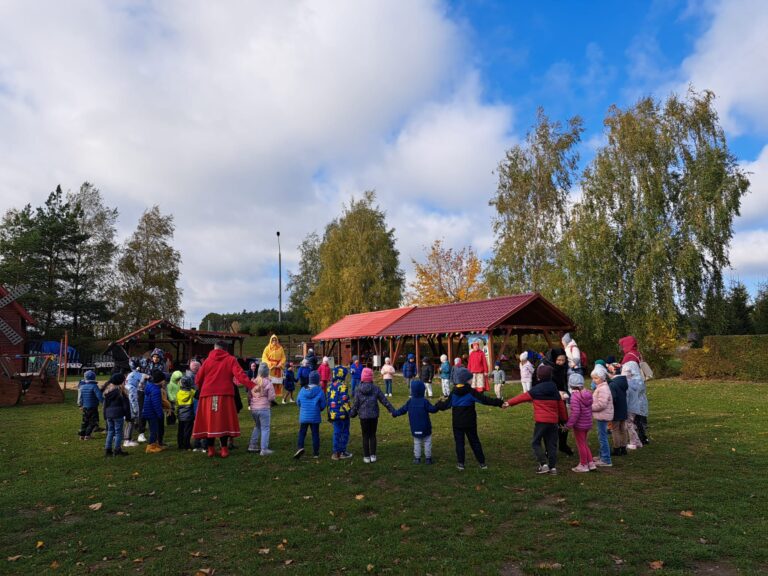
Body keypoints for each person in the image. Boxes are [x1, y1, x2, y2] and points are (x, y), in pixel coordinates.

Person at [192, 341, 256, 458]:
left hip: (207, 395)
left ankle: (211, 449)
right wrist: (252, 385)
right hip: (225, 395)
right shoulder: (231, 359)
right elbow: (240, 375)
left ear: (214, 348)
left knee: (209, 422)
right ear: (226, 349)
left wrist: (202, 388)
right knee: (224, 422)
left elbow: (198, 378)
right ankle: (224, 449)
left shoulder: (207, 361)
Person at [435, 366, 504, 471]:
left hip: (457, 423)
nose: (472, 380)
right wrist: (499, 402)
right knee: (475, 442)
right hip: (470, 423)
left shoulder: (454, 393)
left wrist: (438, 404)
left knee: (459, 443)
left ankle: (461, 464)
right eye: (470, 379)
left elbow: (445, 406)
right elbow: (485, 400)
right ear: (465, 380)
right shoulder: (471, 392)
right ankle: (482, 463)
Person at [504, 364, 568, 475]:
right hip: (553, 422)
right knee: (552, 444)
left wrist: (508, 403)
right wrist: (563, 420)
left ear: (538, 377)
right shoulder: (555, 389)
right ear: (550, 376)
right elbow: (561, 406)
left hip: (541, 422)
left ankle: (543, 464)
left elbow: (522, 397)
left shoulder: (536, 390)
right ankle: (553, 468)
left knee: (535, 442)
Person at [349, 367, 394, 463]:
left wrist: (352, 413)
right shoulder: (375, 389)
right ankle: (373, 455)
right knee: (372, 435)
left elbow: (356, 404)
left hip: (363, 416)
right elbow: (384, 400)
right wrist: (392, 410)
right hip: (373, 416)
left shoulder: (358, 389)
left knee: (365, 436)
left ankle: (366, 456)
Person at [392, 380, 439, 464]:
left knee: (417, 442)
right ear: (423, 390)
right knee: (427, 442)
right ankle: (428, 458)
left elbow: (402, 410)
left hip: (415, 427)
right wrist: (438, 405)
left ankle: (417, 458)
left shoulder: (410, 402)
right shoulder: (424, 401)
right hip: (425, 426)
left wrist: (395, 413)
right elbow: (433, 410)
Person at [619, 336, 649, 447]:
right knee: (639, 415)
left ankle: (636, 440)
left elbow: (627, 375)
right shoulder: (637, 354)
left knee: (631, 416)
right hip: (640, 386)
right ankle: (643, 437)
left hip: (632, 388)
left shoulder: (628, 358)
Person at [565, 374, 594, 473]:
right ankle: (591, 462)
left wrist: (569, 425)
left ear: (571, 385)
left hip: (579, 425)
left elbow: (575, 413)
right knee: (584, 443)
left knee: (581, 444)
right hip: (588, 423)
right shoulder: (588, 394)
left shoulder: (574, 397)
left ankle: (583, 464)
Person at [294, 370, 326, 459]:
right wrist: (319, 409)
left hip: (304, 416)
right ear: (317, 380)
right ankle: (316, 453)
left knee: (302, 433)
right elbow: (323, 404)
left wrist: (303, 408)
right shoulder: (320, 390)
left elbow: (298, 401)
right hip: (315, 416)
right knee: (315, 434)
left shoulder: (303, 389)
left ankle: (300, 447)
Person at [246, 362, 276, 455]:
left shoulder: (253, 381)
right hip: (264, 408)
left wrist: (251, 404)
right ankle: (264, 449)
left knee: (257, 426)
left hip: (254, 408)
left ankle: (252, 445)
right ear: (267, 372)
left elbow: (249, 395)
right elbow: (271, 397)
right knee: (265, 428)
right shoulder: (268, 383)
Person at [327, 365, 353, 460]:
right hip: (343, 414)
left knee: (336, 432)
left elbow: (329, 401)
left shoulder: (330, 387)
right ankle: (342, 451)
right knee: (344, 432)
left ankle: (335, 452)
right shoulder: (343, 386)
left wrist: (329, 414)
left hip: (333, 413)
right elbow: (344, 400)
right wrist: (350, 411)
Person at [590, 364, 614, 467]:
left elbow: (602, 404)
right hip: (601, 415)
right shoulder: (600, 387)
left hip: (603, 415)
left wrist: (590, 407)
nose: (594, 380)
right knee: (601, 436)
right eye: (593, 378)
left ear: (602, 378)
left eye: (596, 378)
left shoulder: (603, 389)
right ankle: (602, 455)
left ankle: (606, 459)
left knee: (602, 437)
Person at [103, 373, 130, 457]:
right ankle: (117, 449)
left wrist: (105, 415)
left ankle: (108, 449)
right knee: (118, 432)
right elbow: (126, 406)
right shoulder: (121, 392)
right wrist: (128, 416)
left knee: (110, 431)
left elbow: (105, 405)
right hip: (118, 414)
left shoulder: (107, 392)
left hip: (109, 414)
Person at [143, 370, 168, 454]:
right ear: (161, 380)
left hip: (148, 412)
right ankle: (150, 447)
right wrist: (160, 414)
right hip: (152, 413)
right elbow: (156, 404)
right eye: (164, 380)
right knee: (154, 431)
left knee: (154, 430)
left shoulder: (149, 386)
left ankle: (156, 445)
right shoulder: (156, 391)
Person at [607, 363, 629, 456]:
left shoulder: (613, 384)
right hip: (623, 408)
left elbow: (613, 398)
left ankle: (617, 448)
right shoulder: (624, 381)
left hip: (616, 409)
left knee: (615, 429)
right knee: (623, 429)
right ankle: (624, 448)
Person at [77, 370, 103, 440]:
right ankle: (87, 435)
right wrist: (104, 402)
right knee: (93, 421)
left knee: (85, 421)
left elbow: (81, 397)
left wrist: (81, 405)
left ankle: (81, 435)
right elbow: (99, 396)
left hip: (85, 407)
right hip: (93, 407)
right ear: (94, 377)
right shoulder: (94, 386)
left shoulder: (82, 387)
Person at [122, 362, 142, 448]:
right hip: (130, 410)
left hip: (125, 409)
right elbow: (133, 401)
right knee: (130, 423)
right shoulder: (132, 388)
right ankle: (127, 440)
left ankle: (126, 438)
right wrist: (136, 411)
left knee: (127, 424)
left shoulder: (125, 386)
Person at [176, 375, 195, 450]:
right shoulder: (192, 392)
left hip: (181, 416)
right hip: (189, 416)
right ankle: (187, 445)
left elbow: (176, 405)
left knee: (180, 431)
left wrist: (176, 413)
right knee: (188, 431)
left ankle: (180, 445)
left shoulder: (178, 393)